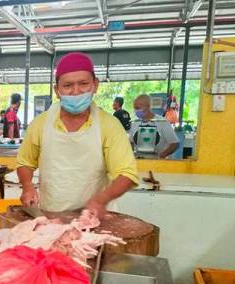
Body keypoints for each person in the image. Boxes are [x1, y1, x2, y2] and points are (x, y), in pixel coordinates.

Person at [16, 52, 138, 217]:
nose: (76, 91)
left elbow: (127, 173)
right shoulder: (41, 123)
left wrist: (102, 199)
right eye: (67, 86)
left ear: (95, 85)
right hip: (51, 215)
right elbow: (25, 162)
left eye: (83, 84)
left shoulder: (109, 126)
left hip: (94, 218)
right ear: (57, 90)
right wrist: (27, 186)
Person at [131, 94, 179, 159]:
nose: (136, 110)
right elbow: (131, 142)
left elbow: (174, 144)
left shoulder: (162, 122)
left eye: (138, 108)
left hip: (157, 164)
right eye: (134, 108)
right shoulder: (135, 123)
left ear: (147, 107)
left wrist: (160, 156)